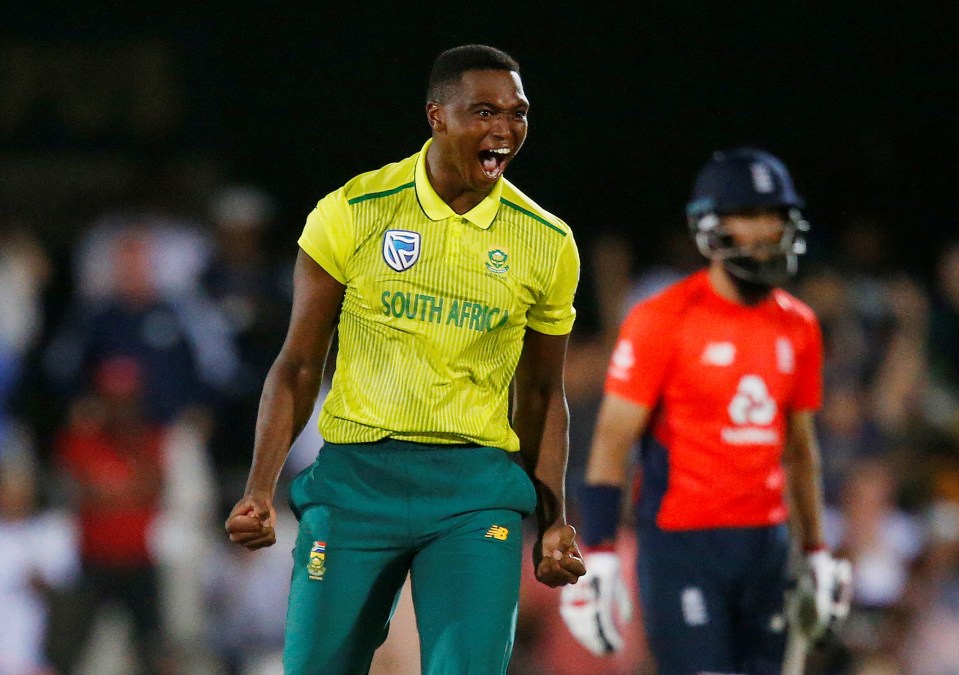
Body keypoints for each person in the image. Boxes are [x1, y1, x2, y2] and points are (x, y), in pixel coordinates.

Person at [225, 44, 586, 674]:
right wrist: (260, 487)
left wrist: (554, 518)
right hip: (357, 485)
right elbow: (299, 365)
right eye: (484, 111)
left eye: (518, 113)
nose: (505, 128)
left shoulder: (547, 241)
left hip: (475, 495)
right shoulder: (353, 212)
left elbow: (539, 394)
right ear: (437, 116)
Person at [559, 148, 852, 673]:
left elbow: (801, 452)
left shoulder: (800, 325)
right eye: (748, 215)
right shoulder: (661, 319)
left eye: (773, 215)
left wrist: (814, 549)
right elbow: (610, 443)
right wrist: (599, 553)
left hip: (767, 544)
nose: (764, 230)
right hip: (683, 546)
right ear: (711, 225)